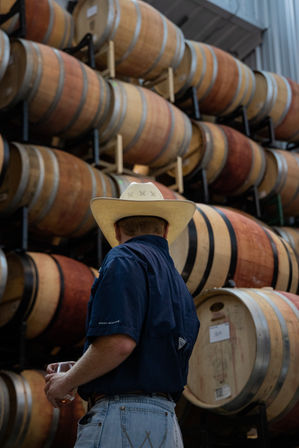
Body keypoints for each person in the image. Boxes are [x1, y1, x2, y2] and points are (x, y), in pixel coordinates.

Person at [45, 181, 200, 448]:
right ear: (165, 231)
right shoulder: (177, 282)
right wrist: (83, 368)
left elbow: (119, 343)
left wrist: (66, 382)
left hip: (123, 419)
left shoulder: (123, 258)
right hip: (166, 423)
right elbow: (143, 351)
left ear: (116, 230)